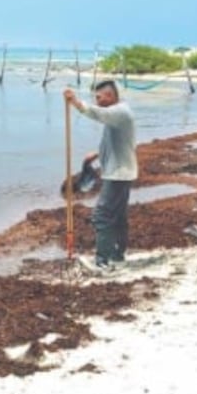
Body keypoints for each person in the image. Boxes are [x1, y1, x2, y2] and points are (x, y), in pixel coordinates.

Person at [63, 80, 137, 268]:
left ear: (111, 96)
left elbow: (98, 114)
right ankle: (117, 256)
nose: (96, 100)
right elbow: (120, 138)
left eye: (99, 97)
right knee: (118, 217)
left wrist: (76, 103)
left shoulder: (120, 112)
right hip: (121, 171)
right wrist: (98, 153)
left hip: (118, 174)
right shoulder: (119, 112)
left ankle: (102, 261)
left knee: (101, 216)